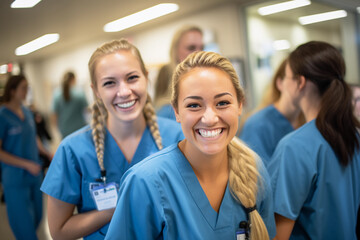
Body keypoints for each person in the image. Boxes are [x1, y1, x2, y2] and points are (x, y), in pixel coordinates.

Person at [105, 51, 276, 239]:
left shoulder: (253, 169)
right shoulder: (145, 182)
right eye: (194, 105)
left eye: (222, 103)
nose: (210, 119)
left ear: (240, 105)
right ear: (176, 111)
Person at [40, 39, 184, 240]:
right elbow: (59, 231)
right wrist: (118, 208)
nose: (124, 92)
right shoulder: (73, 151)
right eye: (109, 83)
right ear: (96, 91)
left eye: (132, 78)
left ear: (146, 78)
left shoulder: (178, 136)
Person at [267, 41, 360, 239]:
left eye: (287, 77)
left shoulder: (295, 147)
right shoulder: (354, 136)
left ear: (300, 83)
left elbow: (276, 236)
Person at [0, 75, 52, 240]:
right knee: (25, 229)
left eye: (27, 87)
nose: (26, 91)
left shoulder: (27, 112)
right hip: (15, 179)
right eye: (23, 87)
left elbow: (33, 138)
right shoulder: (3, 116)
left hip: (35, 175)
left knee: (37, 219)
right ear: (13, 90)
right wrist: (26, 164)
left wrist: (46, 152)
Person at [239, 58, 304, 165]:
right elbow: (258, 175)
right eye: (297, 79)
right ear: (279, 83)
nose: (303, 85)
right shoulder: (258, 125)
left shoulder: (306, 121)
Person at [154, 25, 204, 120]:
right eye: (191, 48)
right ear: (175, 51)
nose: (199, 53)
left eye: (202, 47)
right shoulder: (166, 112)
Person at [51, 71, 89, 138]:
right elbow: (87, 111)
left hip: (65, 132)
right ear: (73, 80)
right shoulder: (79, 93)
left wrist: (59, 130)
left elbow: (54, 116)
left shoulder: (56, 94)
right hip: (80, 130)